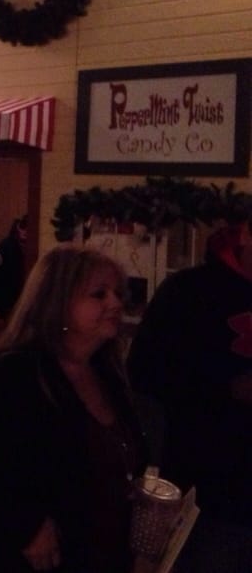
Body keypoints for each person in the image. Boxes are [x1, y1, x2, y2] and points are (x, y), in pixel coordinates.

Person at [0, 246, 147, 573]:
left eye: (118, 293)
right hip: (36, 559)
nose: (116, 303)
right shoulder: (15, 372)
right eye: (99, 294)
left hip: (100, 550)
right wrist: (25, 523)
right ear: (59, 302)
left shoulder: (105, 369)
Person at [126, 219, 252, 573]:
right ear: (246, 234)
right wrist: (227, 388)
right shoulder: (188, 292)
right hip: (210, 491)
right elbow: (144, 374)